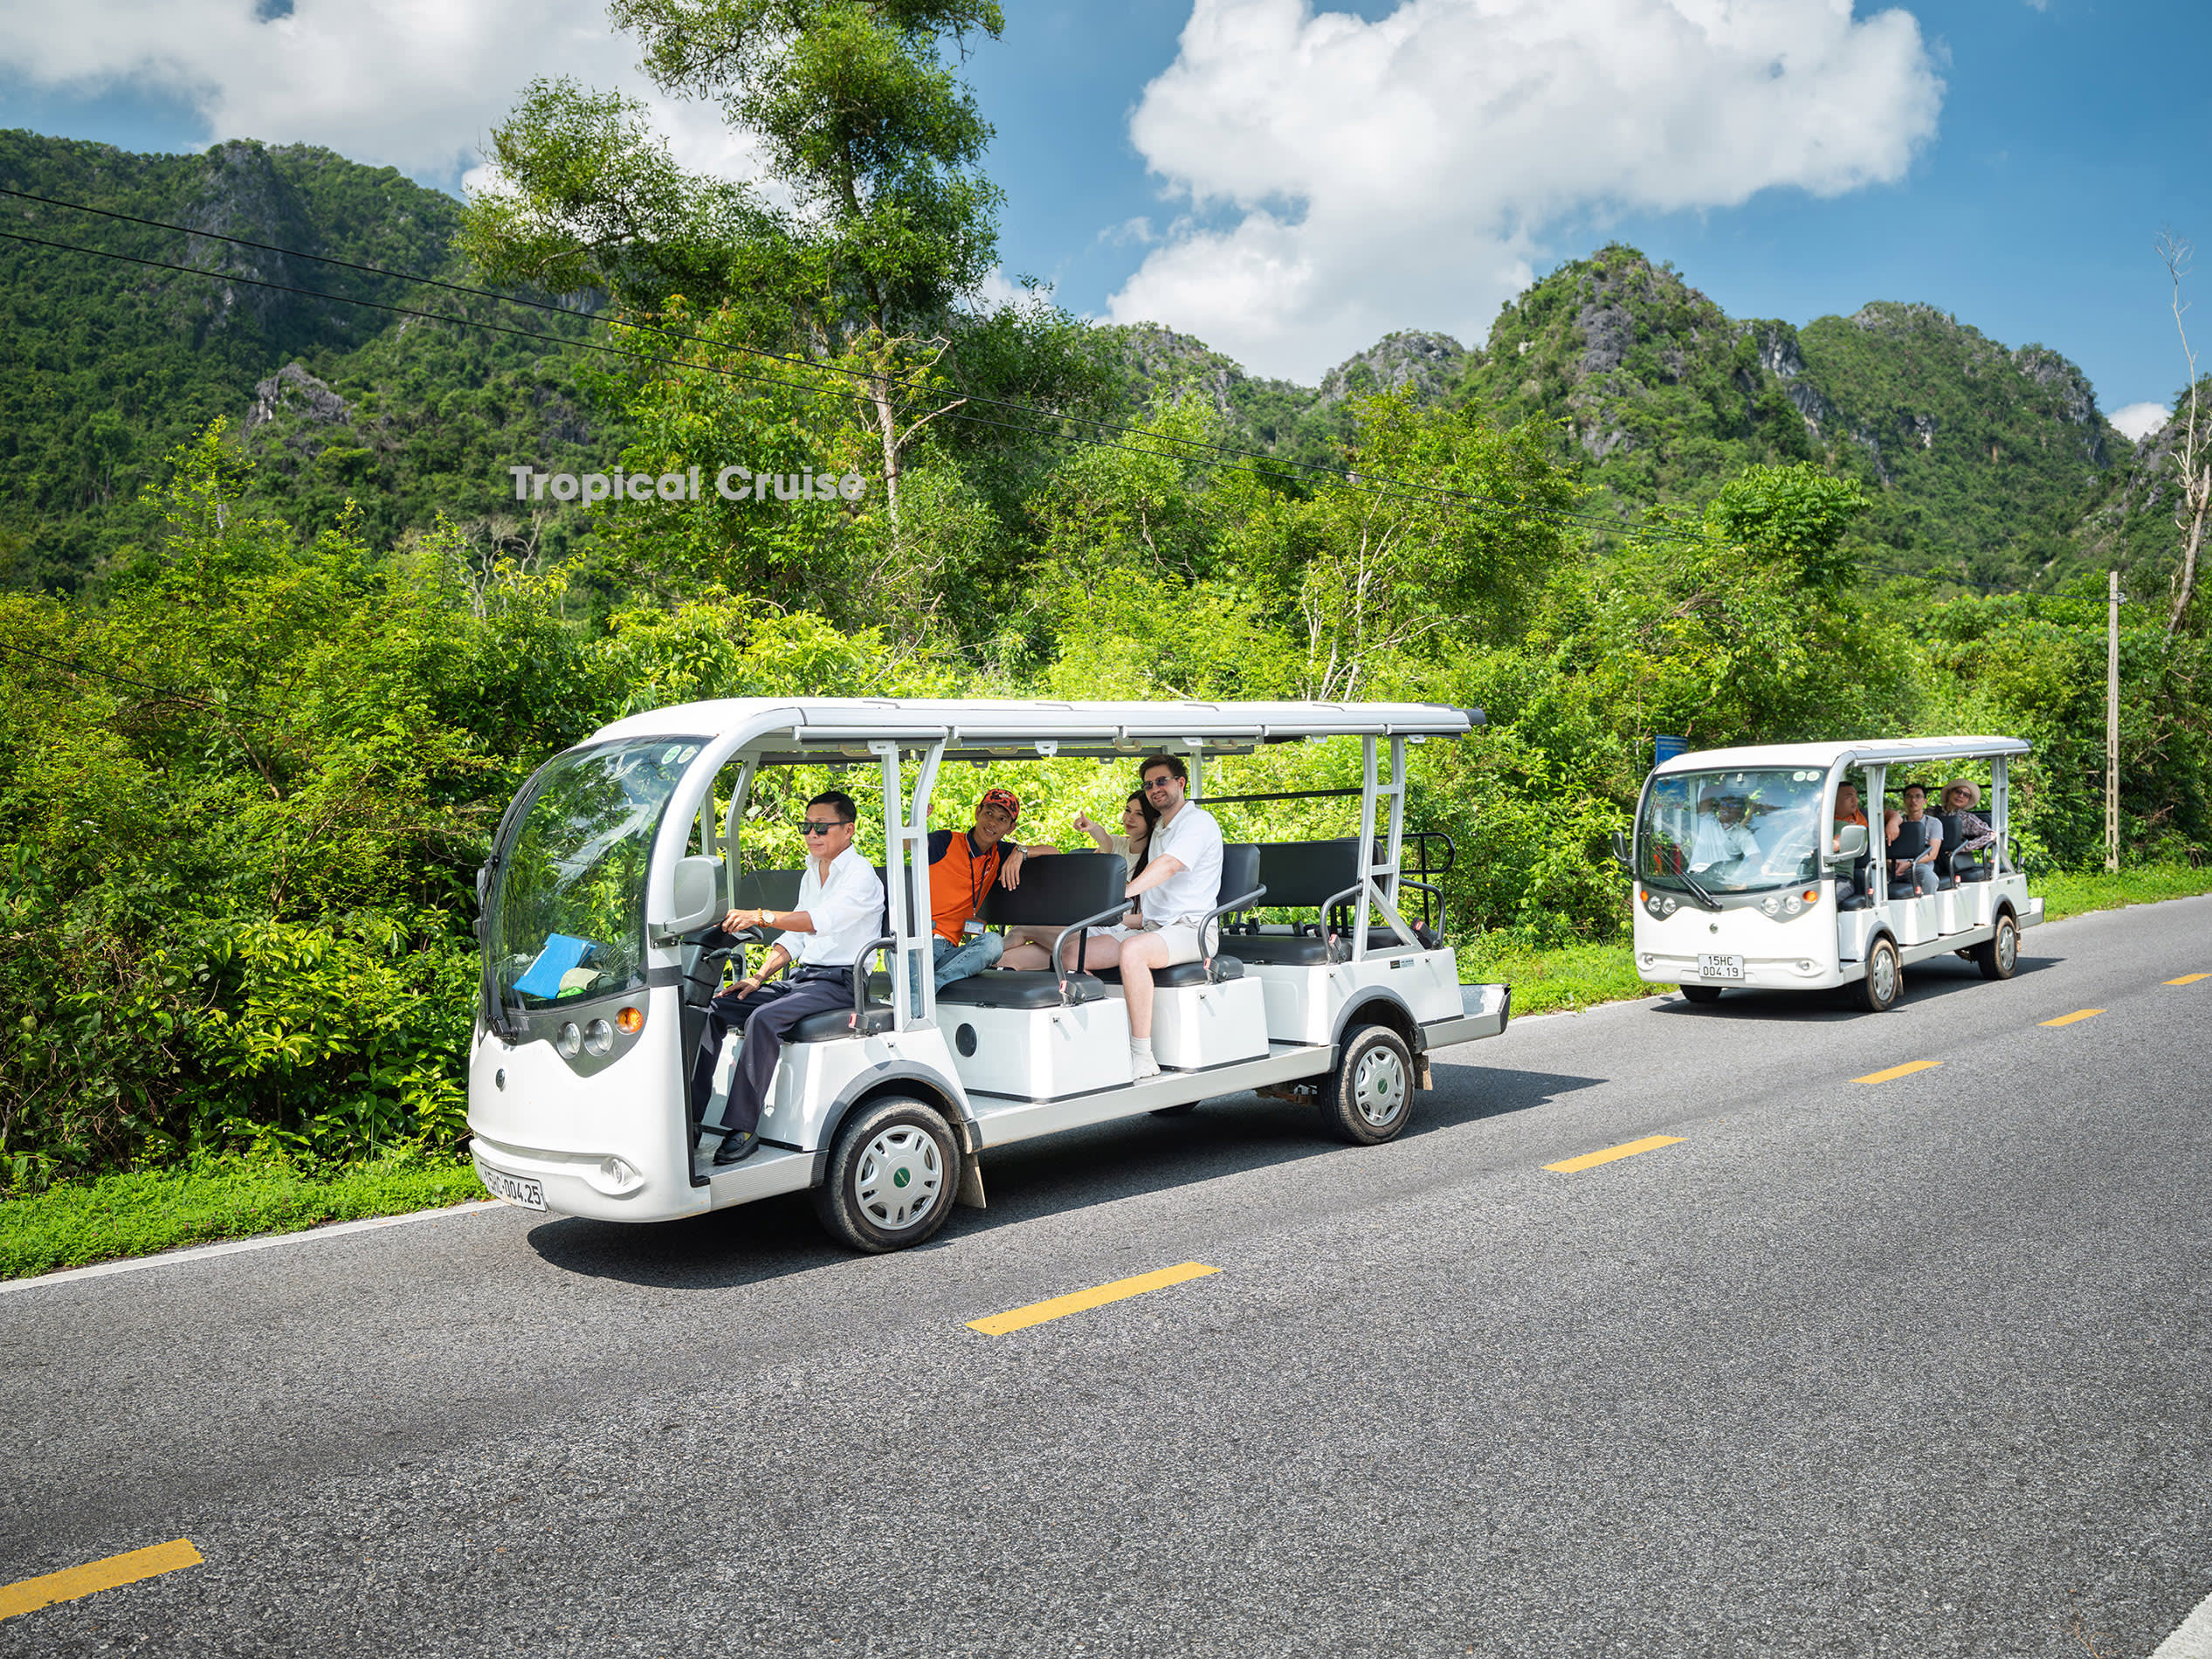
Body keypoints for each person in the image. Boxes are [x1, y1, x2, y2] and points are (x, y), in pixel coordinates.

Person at [688, 790, 885, 1166]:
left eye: (821, 827)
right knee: (715, 1008)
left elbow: (817, 922)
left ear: (848, 830)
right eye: (806, 826)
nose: (812, 834)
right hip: (805, 979)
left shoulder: (860, 876)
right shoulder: (814, 872)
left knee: (763, 1019)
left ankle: (743, 1128)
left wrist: (761, 916)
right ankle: (692, 1119)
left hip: (842, 984)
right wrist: (759, 977)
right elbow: (795, 938)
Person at [1054, 754, 1223, 1081]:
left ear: (1180, 783)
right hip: (1153, 928)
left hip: (1192, 930)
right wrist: (1096, 831)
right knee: (1072, 953)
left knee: (1133, 951)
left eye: (1161, 781)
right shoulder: (1159, 828)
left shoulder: (1198, 823)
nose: (1154, 788)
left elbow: (1169, 865)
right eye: (1148, 784)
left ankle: (1142, 1055)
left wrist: (1125, 892)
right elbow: (1121, 844)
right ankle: (1105, 1033)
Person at [1000, 789, 1158, 968]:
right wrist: (1092, 828)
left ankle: (980, 951)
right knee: (1006, 960)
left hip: (1112, 931)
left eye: (1139, 814)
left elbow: (1145, 918)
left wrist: (1100, 919)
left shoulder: (1156, 861)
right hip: (1089, 926)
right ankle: (981, 955)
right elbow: (1103, 838)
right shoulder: (1118, 844)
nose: (1129, 818)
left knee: (1022, 929)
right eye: (1128, 811)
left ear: (1152, 821)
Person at [915, 787, 1034, 995]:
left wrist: (1020, 851)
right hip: (919, 941)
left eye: (1002, 819)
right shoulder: (946, 841)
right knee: (911, 971)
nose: (992, 823)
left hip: (951, 950)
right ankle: (924, 991)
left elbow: (1053, 851)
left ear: (1011, 828)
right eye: (989, 813)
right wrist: (915, 823)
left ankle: (928, 988)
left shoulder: (1001, 853)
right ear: (978, 812)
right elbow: (907, 844)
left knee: (993, 943)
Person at [1886, 782, 1944, 897]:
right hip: (1894, 866)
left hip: (1919, 866)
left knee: (1931, 878)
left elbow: (1933, 854)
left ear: (1925, 801)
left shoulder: (1934, 823)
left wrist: (1908, 864)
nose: (1913, 800)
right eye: (1909, 796)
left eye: (1918, 796)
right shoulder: (1896, 822)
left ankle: (1928, 907)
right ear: (1904, 800)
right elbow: (1886, 846)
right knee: (1869, 878)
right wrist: (1890, 863)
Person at [1689, 789, 1760, 871]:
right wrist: (1730, 787)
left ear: (1741, 811)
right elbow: (1706, 793)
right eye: (1724, 804)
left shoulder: (1743, 834)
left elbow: (1756, 861)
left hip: (1722, 878)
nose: (1726, 808)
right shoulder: (1708, 821)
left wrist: (1740, 875)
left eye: (1732, 805)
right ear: (1719, 807)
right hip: (1693, 877)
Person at [1940, 780, 1997, 857]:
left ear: (1968, 801)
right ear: (1950, 793)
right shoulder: (1931, 811)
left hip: (1949, 858)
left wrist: (1963, 848)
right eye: (1958, 792)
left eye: (1966, 795)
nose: (1961, 796)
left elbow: (1991, 835)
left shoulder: (1967, 818)